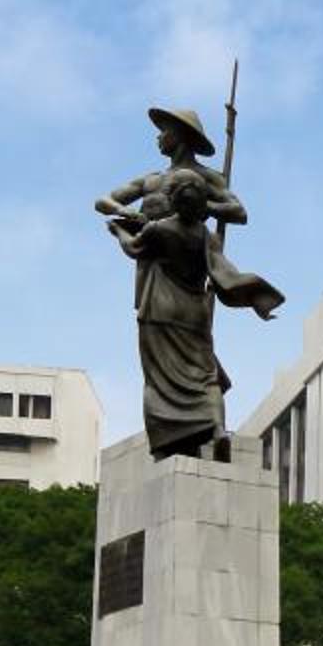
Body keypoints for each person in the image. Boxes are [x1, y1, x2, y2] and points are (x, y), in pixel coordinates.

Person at [95, 105, 284, 459]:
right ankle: (207, 432)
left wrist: (198, 206)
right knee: (200, 368)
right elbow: (104, 200)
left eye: (163, 130)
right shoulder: (151, 179)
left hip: (173, 285)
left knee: (172, 370)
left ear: (180, 135)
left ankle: (181, 438)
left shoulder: (207, 179)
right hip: (165, 278)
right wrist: (131, 213)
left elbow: (238, 212)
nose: (158, 137)